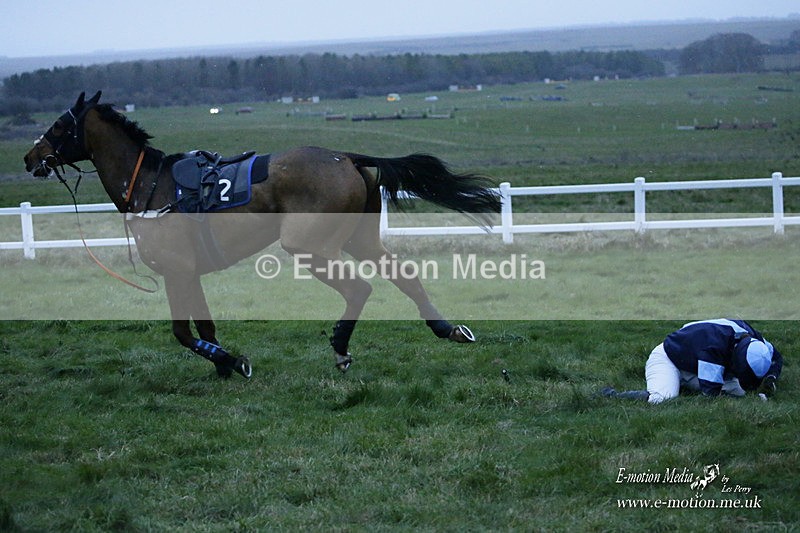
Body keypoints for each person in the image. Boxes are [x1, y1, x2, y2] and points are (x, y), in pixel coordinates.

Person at [604, 319, 783, 404]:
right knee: (661, 399)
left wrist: (770, 378)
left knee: (742, 392)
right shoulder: (713, 347)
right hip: (669, 359)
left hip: (696, 360)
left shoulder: (754, 339)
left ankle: (681, 385)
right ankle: (612, 395)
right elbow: (711, 396)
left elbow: (777, 358)